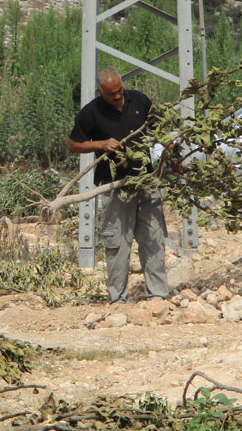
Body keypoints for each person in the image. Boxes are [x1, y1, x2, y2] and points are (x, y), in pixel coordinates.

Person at [68, 67, 169, 303]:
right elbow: (74, 144)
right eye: (111, 94)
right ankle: (118, 299)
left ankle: (158, 296)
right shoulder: (91, 113)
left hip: (145, 180)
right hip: (114, 186)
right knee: (117, 244)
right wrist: (101, 144)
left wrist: (170, 151)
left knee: (153, 239)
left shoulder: (140, 100)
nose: (117, 97)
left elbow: (159, 129)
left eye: (119, 91)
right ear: (101, 92)